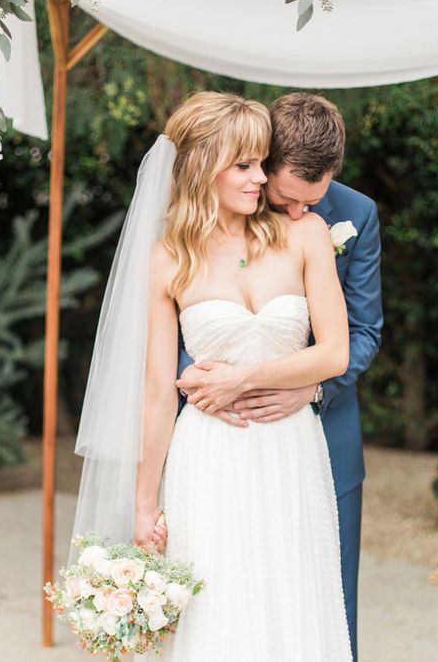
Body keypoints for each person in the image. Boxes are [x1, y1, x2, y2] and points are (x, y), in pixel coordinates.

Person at [70, 91, 353, 661]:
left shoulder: (306, 236)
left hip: (291, 451)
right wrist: (145, 501)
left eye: (260, 163)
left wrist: (240, 378)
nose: (260, 178)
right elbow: (155, 390)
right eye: (245, 165)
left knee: (297, 604)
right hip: (209, 458)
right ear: (205, 168)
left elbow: (335, 355)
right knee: (222, 612)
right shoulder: (168, 259)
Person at [177, 92, 383, 662]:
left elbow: (363, 332)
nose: (297, 213)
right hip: (223, 433)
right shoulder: (214, 209)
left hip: (323, 437)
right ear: (263, 161)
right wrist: (203, 385)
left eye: (311, 201)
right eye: (287, 197)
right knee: (225, 600)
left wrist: (311, 386)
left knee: (324, 608)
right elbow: (180, 326)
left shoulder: (354, 214)